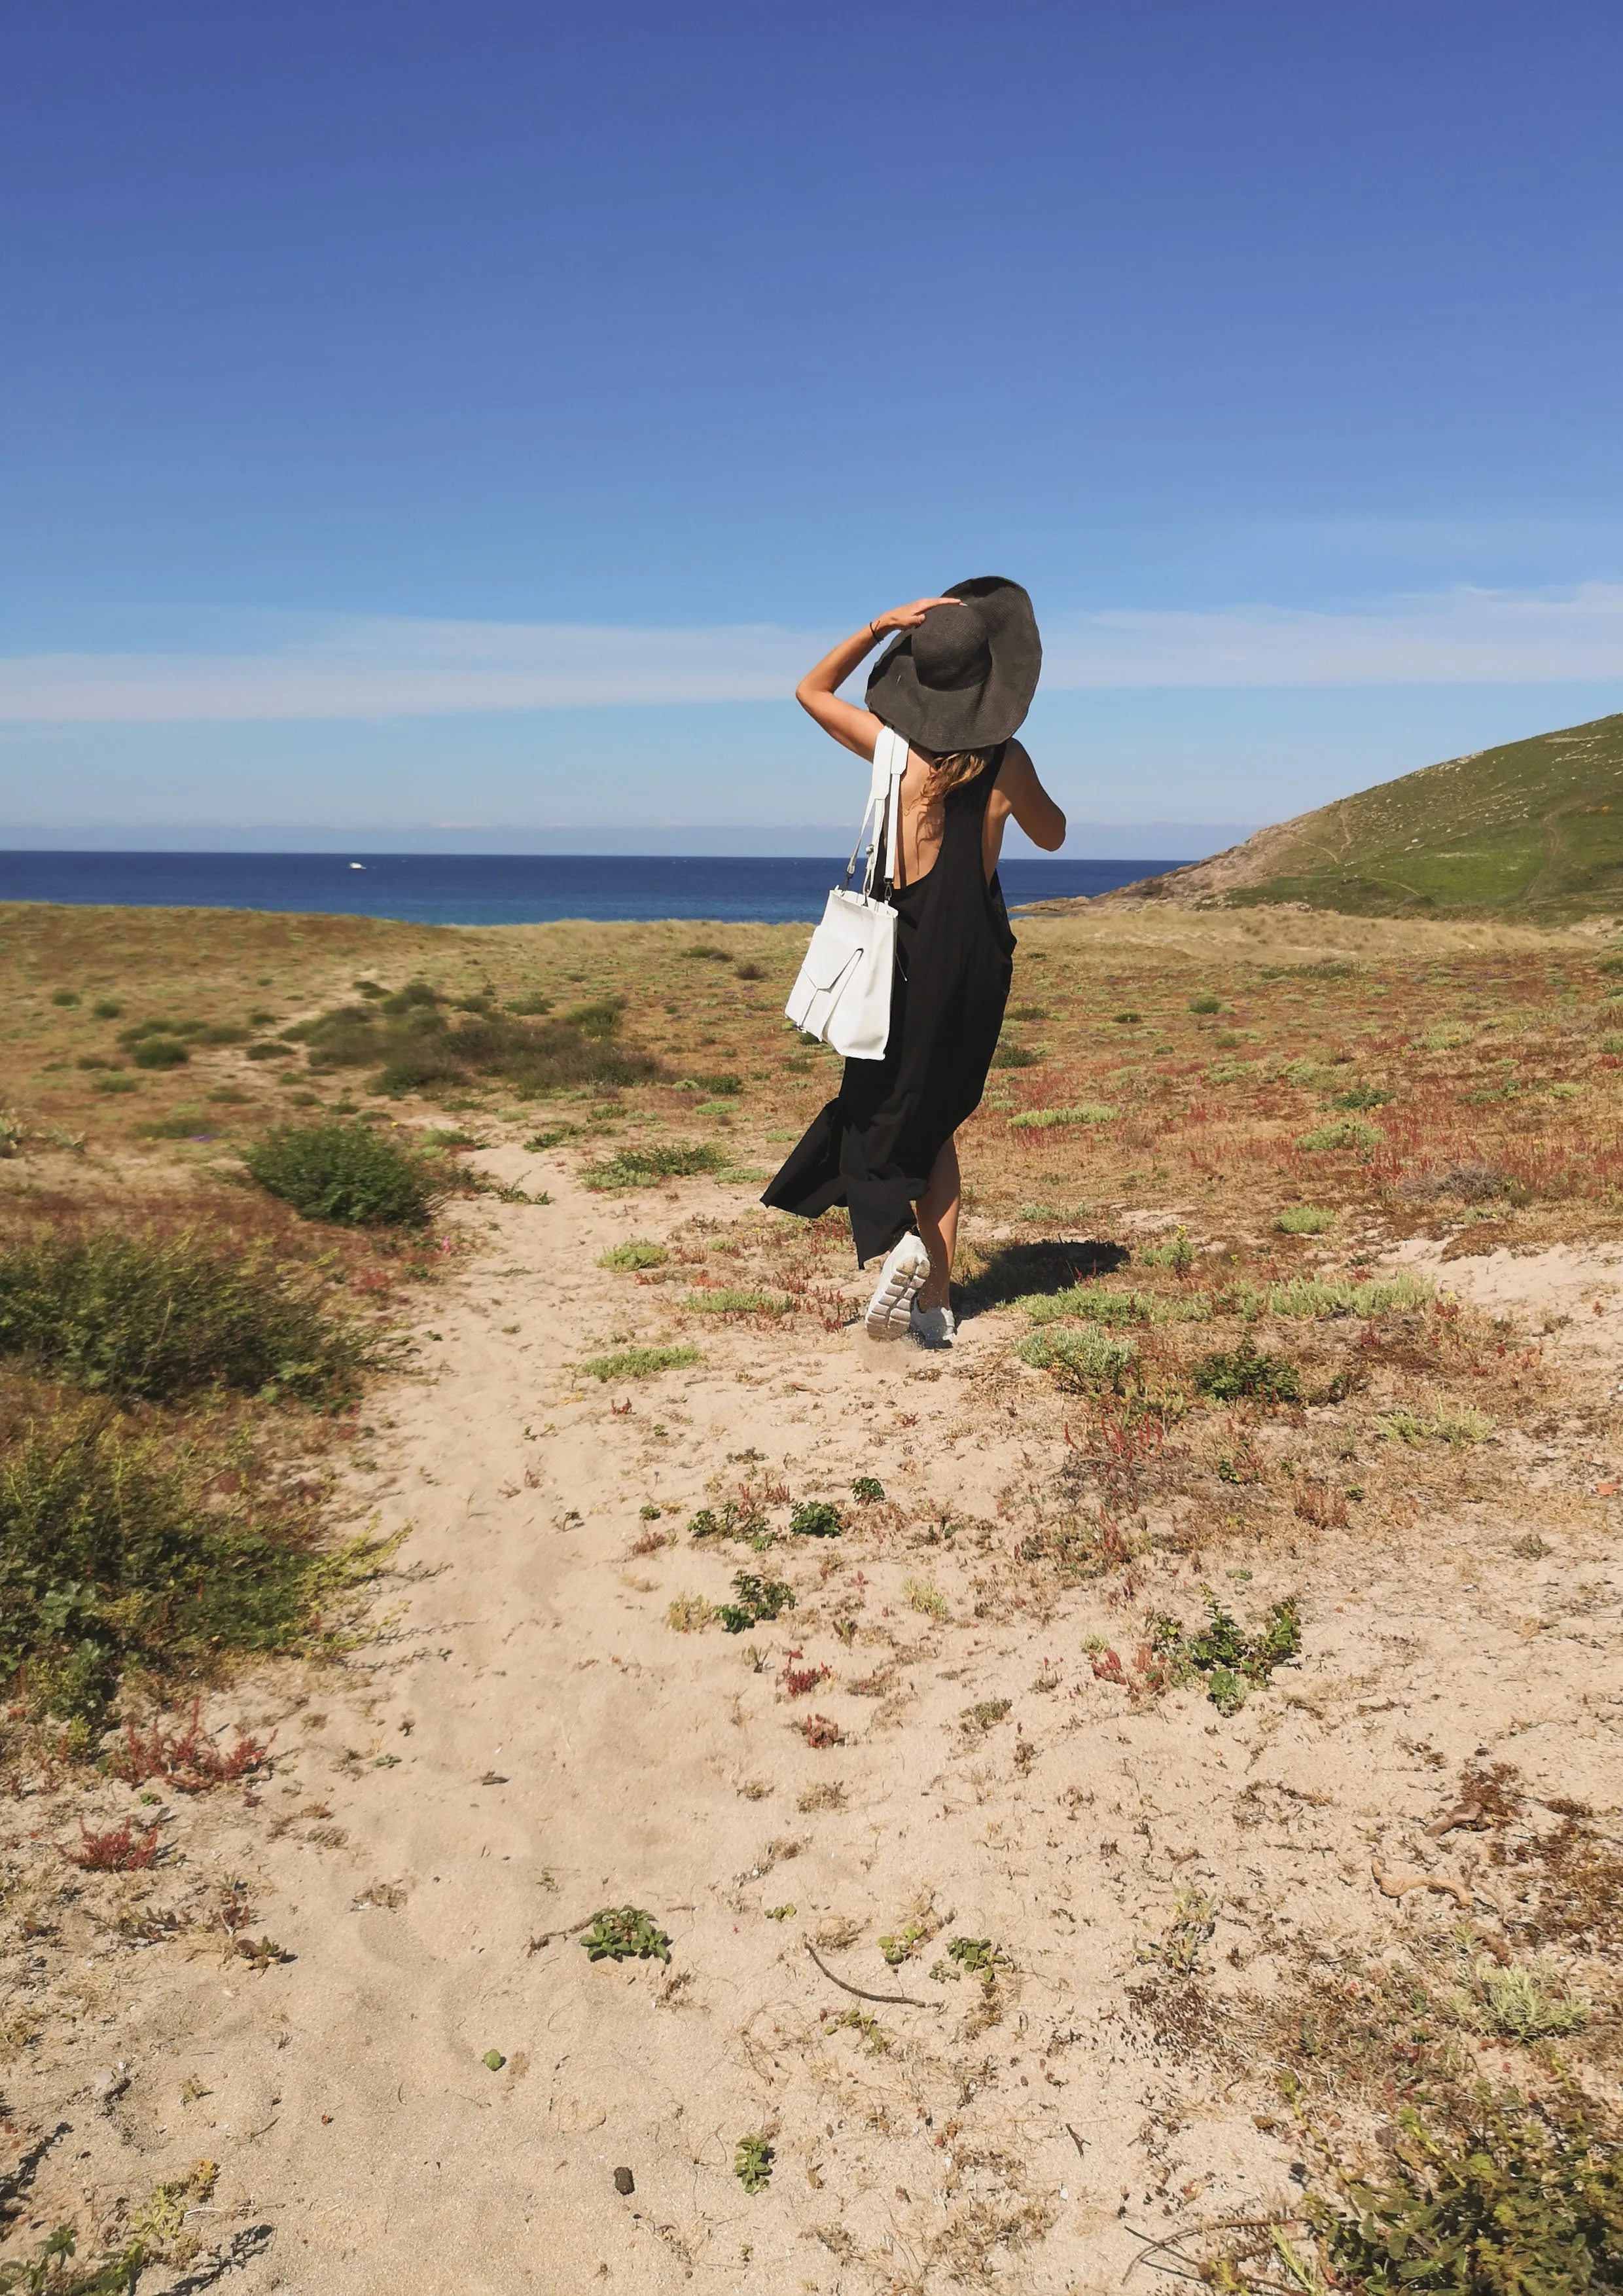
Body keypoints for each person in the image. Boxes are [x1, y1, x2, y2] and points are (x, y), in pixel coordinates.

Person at [762, 579, 1065, 1348]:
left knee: (880, 1108)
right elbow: (1054, 835)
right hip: (974, 961)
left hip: (900, 952)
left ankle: (904, 1246)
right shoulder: (1007, 761)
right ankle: (933, 1299)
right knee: (937, 1125)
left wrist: (875, 625)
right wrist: (1018, 787)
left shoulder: (889, 750)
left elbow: (808, 688)